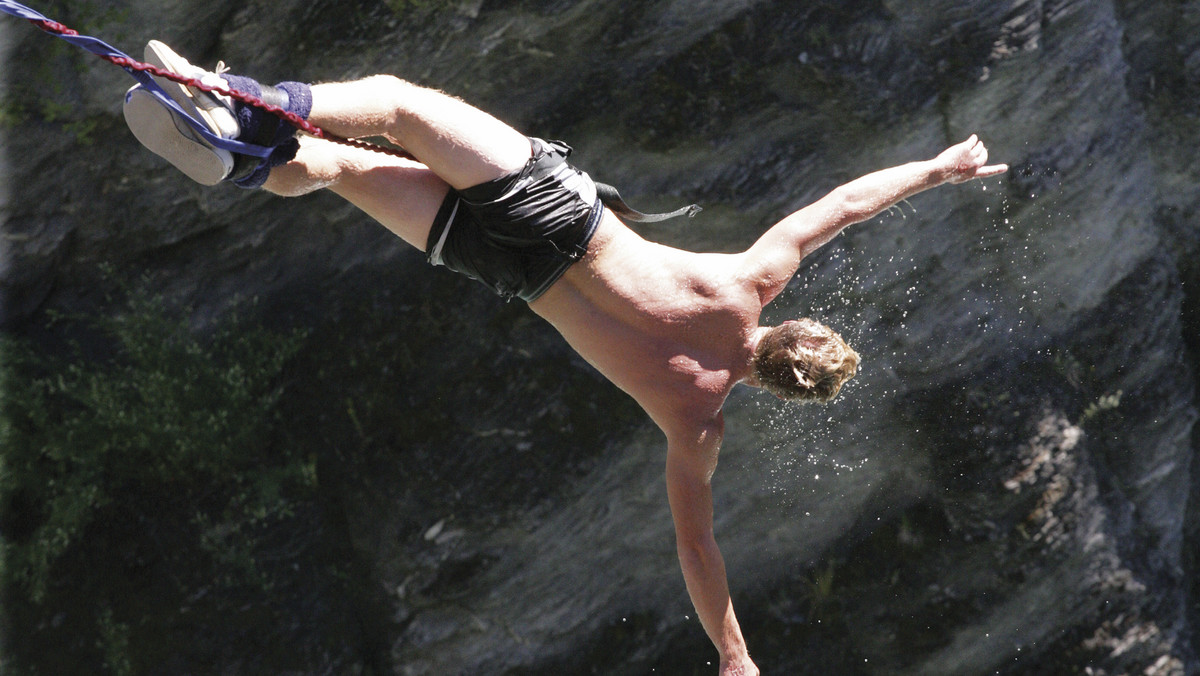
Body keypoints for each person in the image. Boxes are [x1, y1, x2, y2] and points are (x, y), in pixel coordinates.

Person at [122, 41, 1007, 676]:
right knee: (337, 171)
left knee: (399, 106)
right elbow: (697, 546)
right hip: (505, 270)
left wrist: (939, 168)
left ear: (795, 331)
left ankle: (228, 98)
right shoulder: (693, 419)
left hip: (558, 216)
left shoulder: (751, 282)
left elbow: (847, 203)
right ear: (779, 390)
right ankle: (237, 158)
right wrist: (735, 656)